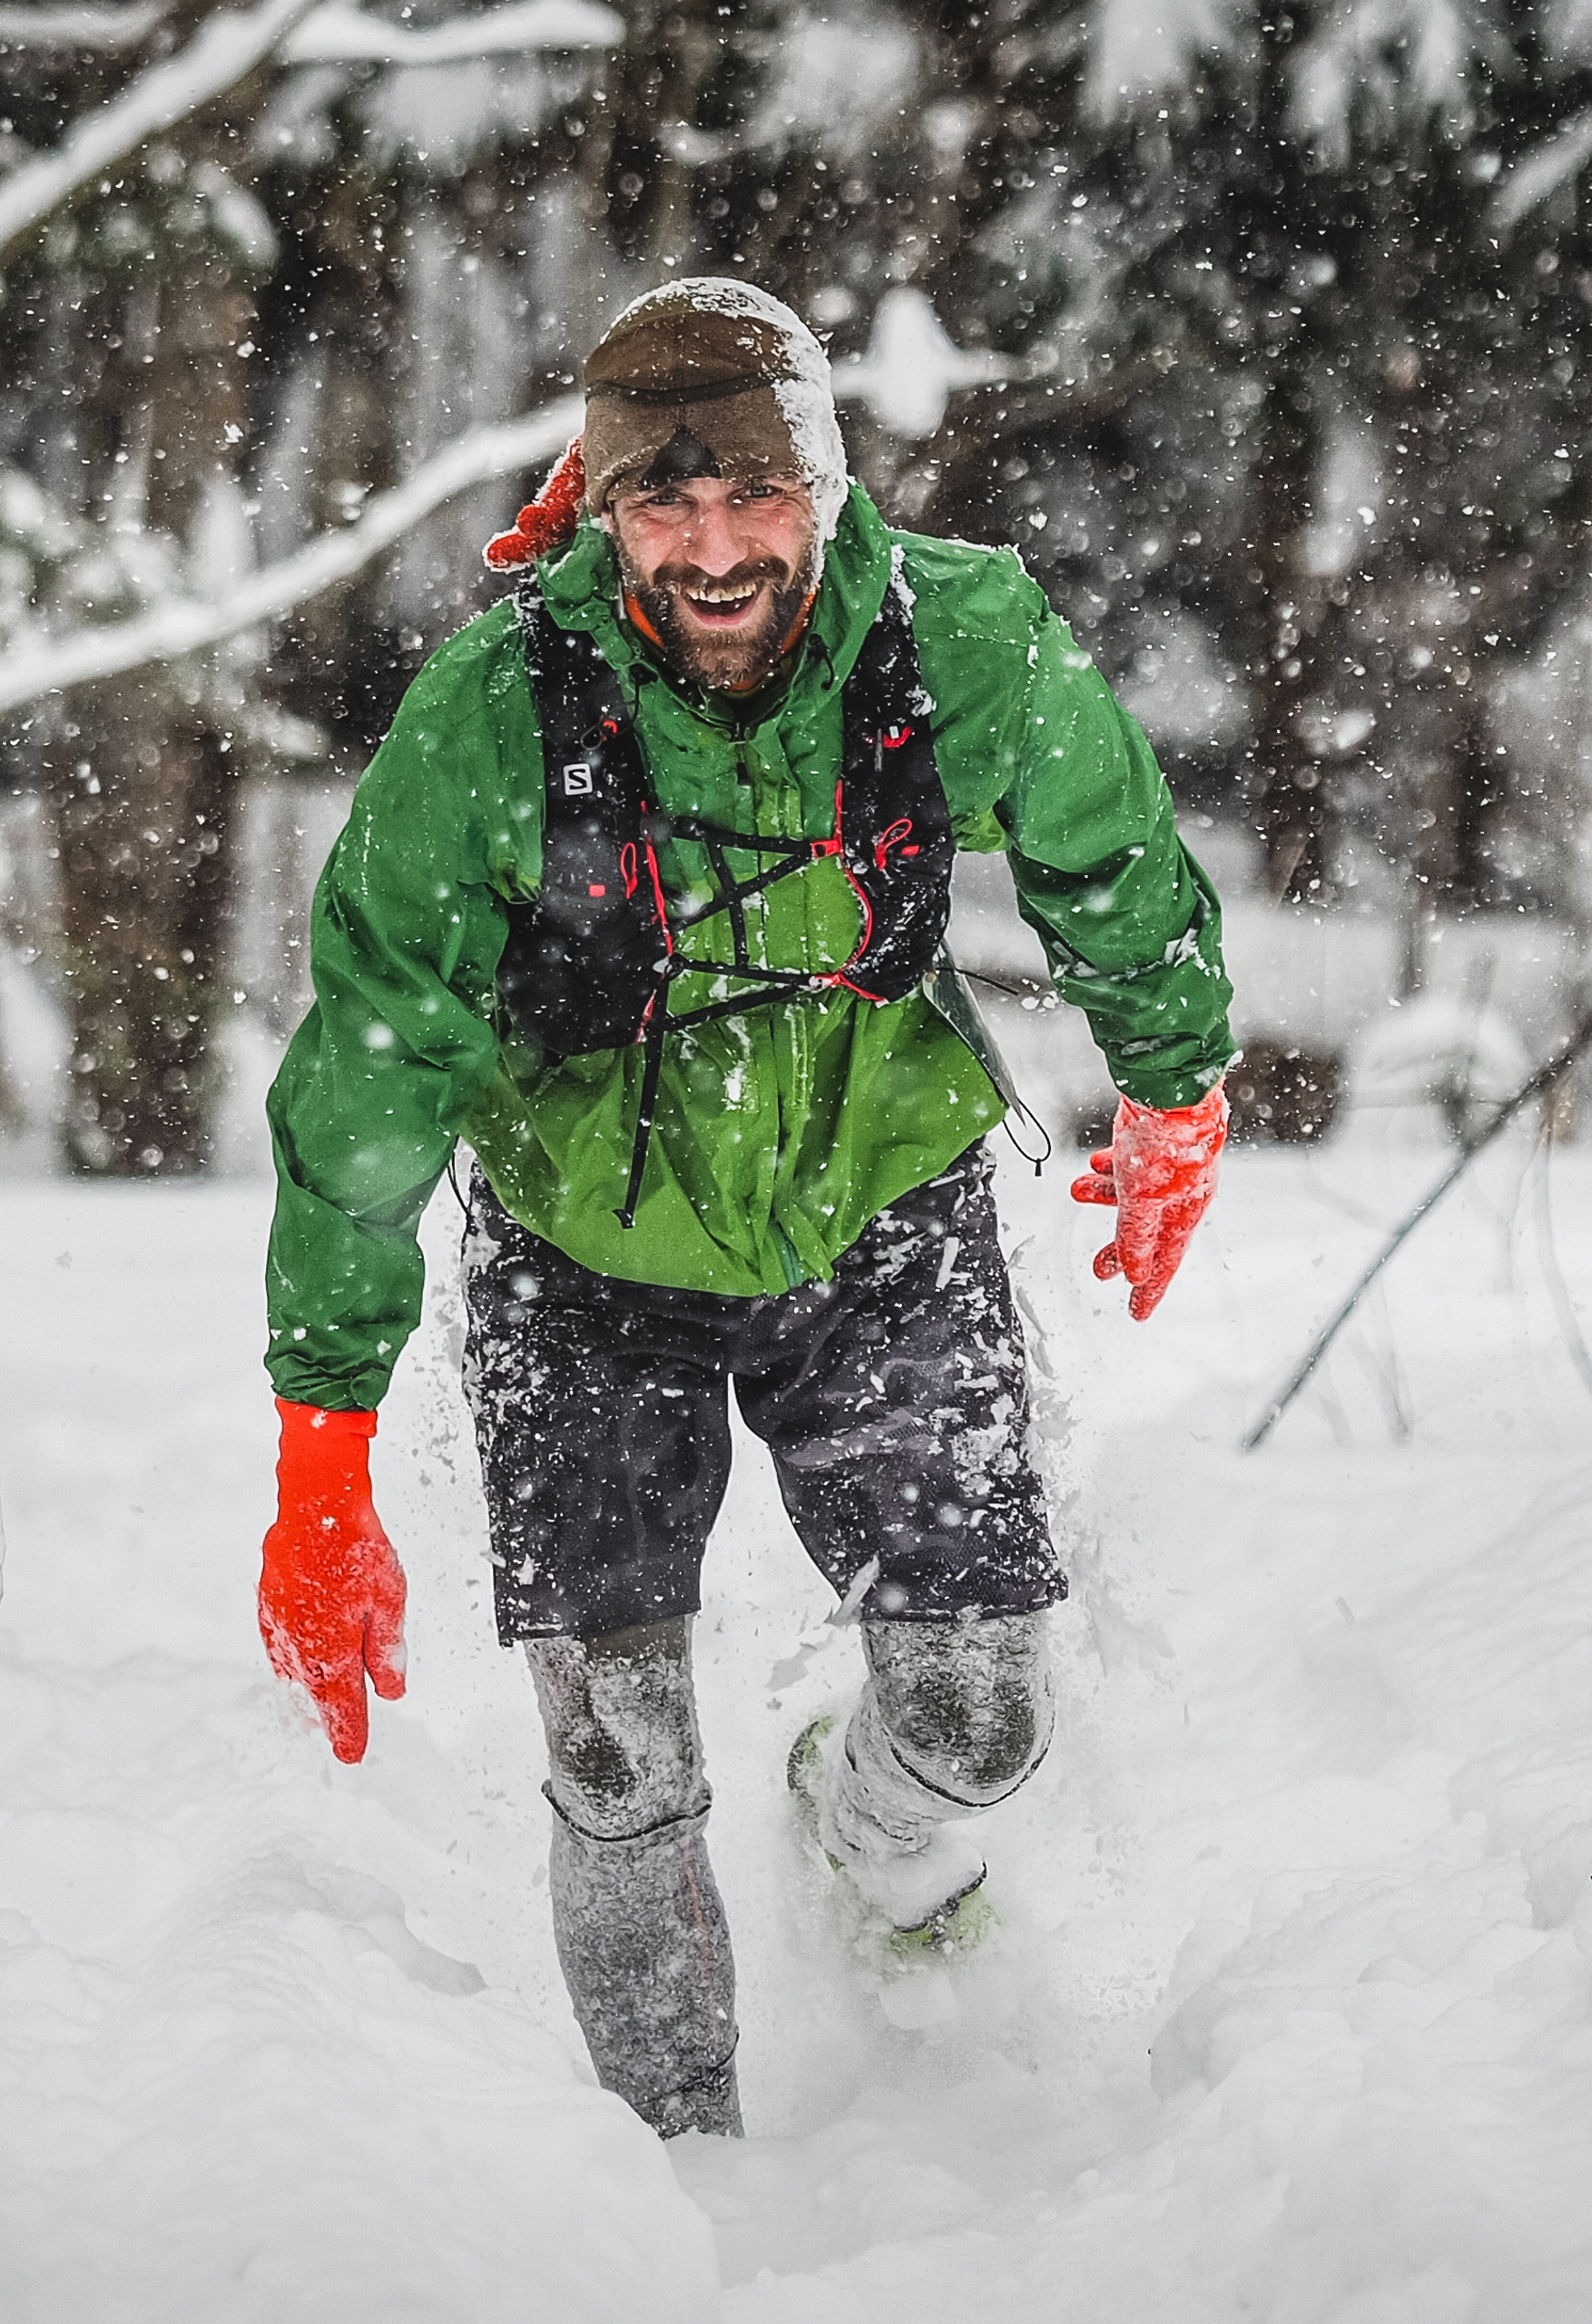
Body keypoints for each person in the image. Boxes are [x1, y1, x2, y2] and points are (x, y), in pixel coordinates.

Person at [257, 279, 1234, 2141]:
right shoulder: (492, 717)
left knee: (975, 1724)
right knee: (615, 1758)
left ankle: (855, 1845)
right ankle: (671, 2171)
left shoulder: (956, 637)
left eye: (753, 496)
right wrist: (321, 1457)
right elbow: (369, 1086)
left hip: (879, 1215)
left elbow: (1110, 857)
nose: (710, 548)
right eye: (660, 502)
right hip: (582, 1258)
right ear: (601, 503)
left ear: (825, 484)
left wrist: (1173, 1089)